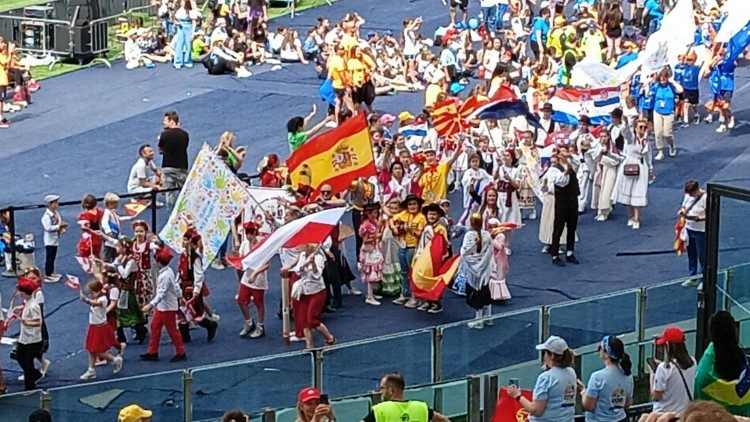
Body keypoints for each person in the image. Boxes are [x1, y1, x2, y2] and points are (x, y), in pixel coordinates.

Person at [507, 335, 577, 422]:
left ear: (551, 355)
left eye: (545, 353)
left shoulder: (546, 377)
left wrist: (517, 395)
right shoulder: (571, 372)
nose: (544, 357)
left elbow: (536, 410)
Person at [694, 311, 750, 415]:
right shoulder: (745, 366)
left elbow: (698, 407)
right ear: (734, 331)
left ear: (711, 333)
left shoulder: (704, 373)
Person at [140, 245, 186, 362]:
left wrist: (150, 304)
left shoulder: (164, 276)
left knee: (172, 330)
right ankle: (153, 351)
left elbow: (161, 293)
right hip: (163, 307)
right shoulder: (169, 271)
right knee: (155, 327)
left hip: (167, 308)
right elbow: (175, 286)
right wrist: (180, 296)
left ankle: (181, 352)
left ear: (159, 262)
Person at [177, 228, 218, 343]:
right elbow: (179, 271)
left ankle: (210, 325)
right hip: (183, 287)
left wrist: (196, 289)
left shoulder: (194, 258)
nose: (183, 242)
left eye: (185, 240)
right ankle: (185, 336)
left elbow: (199, 275)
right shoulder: (183, 256)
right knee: (182, 311)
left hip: (191, 288)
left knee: (195, 311)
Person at [292, 243, 336, 350]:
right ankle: (309, 346)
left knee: (312, 320)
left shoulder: (319, 257)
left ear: (307, 246)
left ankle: (329, 338)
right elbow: (298, 270)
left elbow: (317, 275)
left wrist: (313, 264)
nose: (299, 247)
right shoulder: (303, 255)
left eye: (301, 246)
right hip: (305, 291)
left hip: (317, 291)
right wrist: (305, 264)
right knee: (304, 320)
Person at [78, 279, 124, 380]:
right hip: (93, 327)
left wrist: (85, 299)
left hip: (100, 328)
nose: (90, 295)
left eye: (92, 293)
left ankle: (115, 360)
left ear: (98, 291)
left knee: (97, 350)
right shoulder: (97, 298)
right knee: (90, 349)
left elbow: (95, 303)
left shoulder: (103, 299)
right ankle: (91, 370)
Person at [581, 335, 634, 421]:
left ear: (607, 354)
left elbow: (589, 406)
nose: (598, 350)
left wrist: (583, 391)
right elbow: (628, 403)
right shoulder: (628, 375)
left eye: (600, 348)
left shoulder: (597, 377)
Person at [612, 117, 651, 230]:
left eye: (644, 127)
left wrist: (650, 169)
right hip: (629, 165)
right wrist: (626, 121)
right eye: (640, 127)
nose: (642, 129)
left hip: (641, 166)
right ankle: (631, 216)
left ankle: (637, 218)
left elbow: (648, 156)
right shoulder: (631, 138)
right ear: (635, 128)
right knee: (628, 191)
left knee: (638, 191)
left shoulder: (645, 140)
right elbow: (625, 132)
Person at [361, 373, 449, 421]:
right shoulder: (421, 407)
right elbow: (443, 420)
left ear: (391, 390)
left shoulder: (380, 410)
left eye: (382, 388)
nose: (380, 392)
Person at [650, 327, 696, 415]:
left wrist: (653, 376)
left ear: (667, 345)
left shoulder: (664, 368)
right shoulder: (693, 362)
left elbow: (656, 396)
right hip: (683, 415)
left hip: (663, 415)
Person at [390, 194, 426, 308]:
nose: (412, 206)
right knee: (404, 272)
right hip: (402, 246)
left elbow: (421, 234)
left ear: (418, 205)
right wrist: (395, 228)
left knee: (412, 273)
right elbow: (391, 220)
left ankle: (415, 297)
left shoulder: (421, 217)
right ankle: (405, 294)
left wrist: (410, 230)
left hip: (413, 247)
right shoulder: (403, 214)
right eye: (410, 204)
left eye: (414, 204)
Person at [547, 151, 580, 266]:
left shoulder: (571, 165)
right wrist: (566, 172)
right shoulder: (553, 170)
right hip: (562, 202)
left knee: (572, 227)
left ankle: (570, 252)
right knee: (558, 227)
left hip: (573, 200)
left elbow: (578, 164)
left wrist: (570, 158)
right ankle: (555, 254)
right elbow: (561, 182)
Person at [461, 213, 493, 329]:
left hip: (475, 268)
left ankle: (479, 319)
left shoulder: (469, 235)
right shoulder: (487, 235)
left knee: (477, 291)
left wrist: (475, 262)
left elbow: (464, 252)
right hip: (484, 266)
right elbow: (490, 251)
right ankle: (488, 317)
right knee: (485, 289)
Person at [236, 222, 267, 338]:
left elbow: (267, 264)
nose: (249, 237)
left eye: (251, 234)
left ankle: (260, 326)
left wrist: (255, 273)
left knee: (259, 304)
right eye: (247, 234)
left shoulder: (262, 245)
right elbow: (241, 260)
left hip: (258, 278)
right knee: (241, 300)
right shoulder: (244, 245)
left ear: (255, 233)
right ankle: (249, 322)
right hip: (246, 276)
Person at [14, 277, 44, 391]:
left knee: (27, 363)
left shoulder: (33, 306)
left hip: (33, 339)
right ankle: (35, 374)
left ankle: (30, 387)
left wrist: (26, 322)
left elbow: (38, 322)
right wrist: (21, 308)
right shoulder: (28, 303)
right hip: (25, 337)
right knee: (19, 356)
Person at [158, 110, 190, 207]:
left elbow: (160, 149)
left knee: (169, 193)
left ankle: (171, 214)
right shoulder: (185, 134)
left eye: (165, 121)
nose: (164, 123)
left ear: (171, 121)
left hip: (168, 166)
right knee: (186, 190)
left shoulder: (164, 135)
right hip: (182, 166)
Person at [358, 202, 384, 306]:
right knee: (371, 272)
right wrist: (376, 237)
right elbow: (365, 241)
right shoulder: (366, 225)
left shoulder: (375, 222)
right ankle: (369, 296)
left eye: (376, 212)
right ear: (367, 214)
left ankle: (371, 293)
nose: (375, 215)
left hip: (374, 248)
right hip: (369, 251)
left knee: (375, 270)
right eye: (373, 213)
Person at [679, 180, 706, 276]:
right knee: (691, 254)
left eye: (692, 193)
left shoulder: (706, 198)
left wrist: (698, 218)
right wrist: (683, 211)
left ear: (697, 190)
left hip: (701, 231)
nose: (690, 195)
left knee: (702, 255)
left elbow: (710, 214)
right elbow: (683, 206)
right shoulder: (687, 196)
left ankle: (704, 278)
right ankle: (692, 276)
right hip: (689, 228)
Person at [41, 194, 67, 282]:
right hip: (49, 240)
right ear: (49, 204)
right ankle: (48, 274)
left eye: (57, 202)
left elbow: (59, 222)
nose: (57, 204)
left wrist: (62, 228)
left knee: (53, 256)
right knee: (50, 257)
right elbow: (48, 228)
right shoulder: (46, 217)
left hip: (55, 239)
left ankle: (52, 272)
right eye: (54, 203)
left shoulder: (56, 214)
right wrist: (59, 226)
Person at [101, 192, 122, 262]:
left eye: (116, 203)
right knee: (107, 255)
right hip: (110, 237)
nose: (115, 205)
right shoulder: (107, 212)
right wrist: (108, 231)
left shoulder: (113, 213)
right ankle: (104, 270)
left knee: (115, 254)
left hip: (115, 236)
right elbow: (104, 222)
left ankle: (113, 269)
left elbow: (118, 220)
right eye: (112, 204)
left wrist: (130, 217)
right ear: (107, 204)